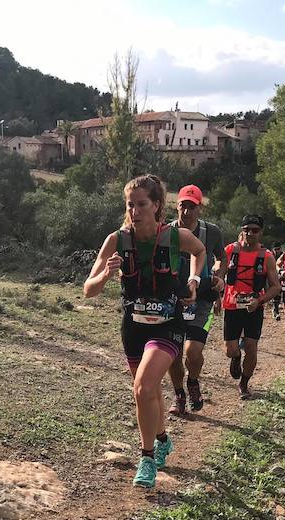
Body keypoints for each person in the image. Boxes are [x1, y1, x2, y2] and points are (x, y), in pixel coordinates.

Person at [84, 174, 206, 488]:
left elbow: (200, 251)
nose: (134, 211)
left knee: (142, 387)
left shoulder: (176, 236)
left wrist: (193, 279)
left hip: (168, 323)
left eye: (141, 204)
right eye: (130, 205)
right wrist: (107, 275)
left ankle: (148, 457)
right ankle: (162, 439)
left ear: (156, 206)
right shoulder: (117, 240)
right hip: (133, 325)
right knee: (147, 391)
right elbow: (89, 289)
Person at [166, 185, 225, 415]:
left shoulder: (212, 232)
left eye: (192, 207)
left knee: (192, 352)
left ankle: (193, 381)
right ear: (177, 206)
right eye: (183, 206)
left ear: (200, 209)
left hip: (202, 300)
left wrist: (218, 277)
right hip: (172, 301)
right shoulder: (166, 232)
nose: (187, 211)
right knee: (173, 353)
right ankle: (179, 394)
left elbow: (222, 257)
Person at [217, 214, 281, 400]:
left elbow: (276, 286)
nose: (250, 233)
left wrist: (259, 301)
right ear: (241, 231)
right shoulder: (230, 251)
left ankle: (244, 384)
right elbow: (219, 274)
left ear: (260, 233)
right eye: (246, 230)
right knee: (230, 349)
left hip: (254, 307)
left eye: (255, 230)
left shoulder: (267, 257)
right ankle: (236, 357)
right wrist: (216, 294)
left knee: (252, 347)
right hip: (231, 306)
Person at [270, 243, 283, 321]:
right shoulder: (270, 256)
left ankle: (276, 309)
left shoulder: (283, 255)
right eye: (275, 249)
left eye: (278, 249)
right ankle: (275, 310)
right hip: (270, 276)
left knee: (278, 293)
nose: (277, 251)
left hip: (280, 276)